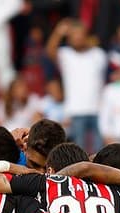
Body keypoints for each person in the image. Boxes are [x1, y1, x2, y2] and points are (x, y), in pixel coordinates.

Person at [46, 18, 107, 153]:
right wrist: (58, 32)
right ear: (69, 38)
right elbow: (50, 51)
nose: (78, 37)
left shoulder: (98, 54)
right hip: (75, 110)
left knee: (100, 152)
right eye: (74, 35)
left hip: (98, 110)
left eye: (80, 34)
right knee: (80, 151)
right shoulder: (65, 54)